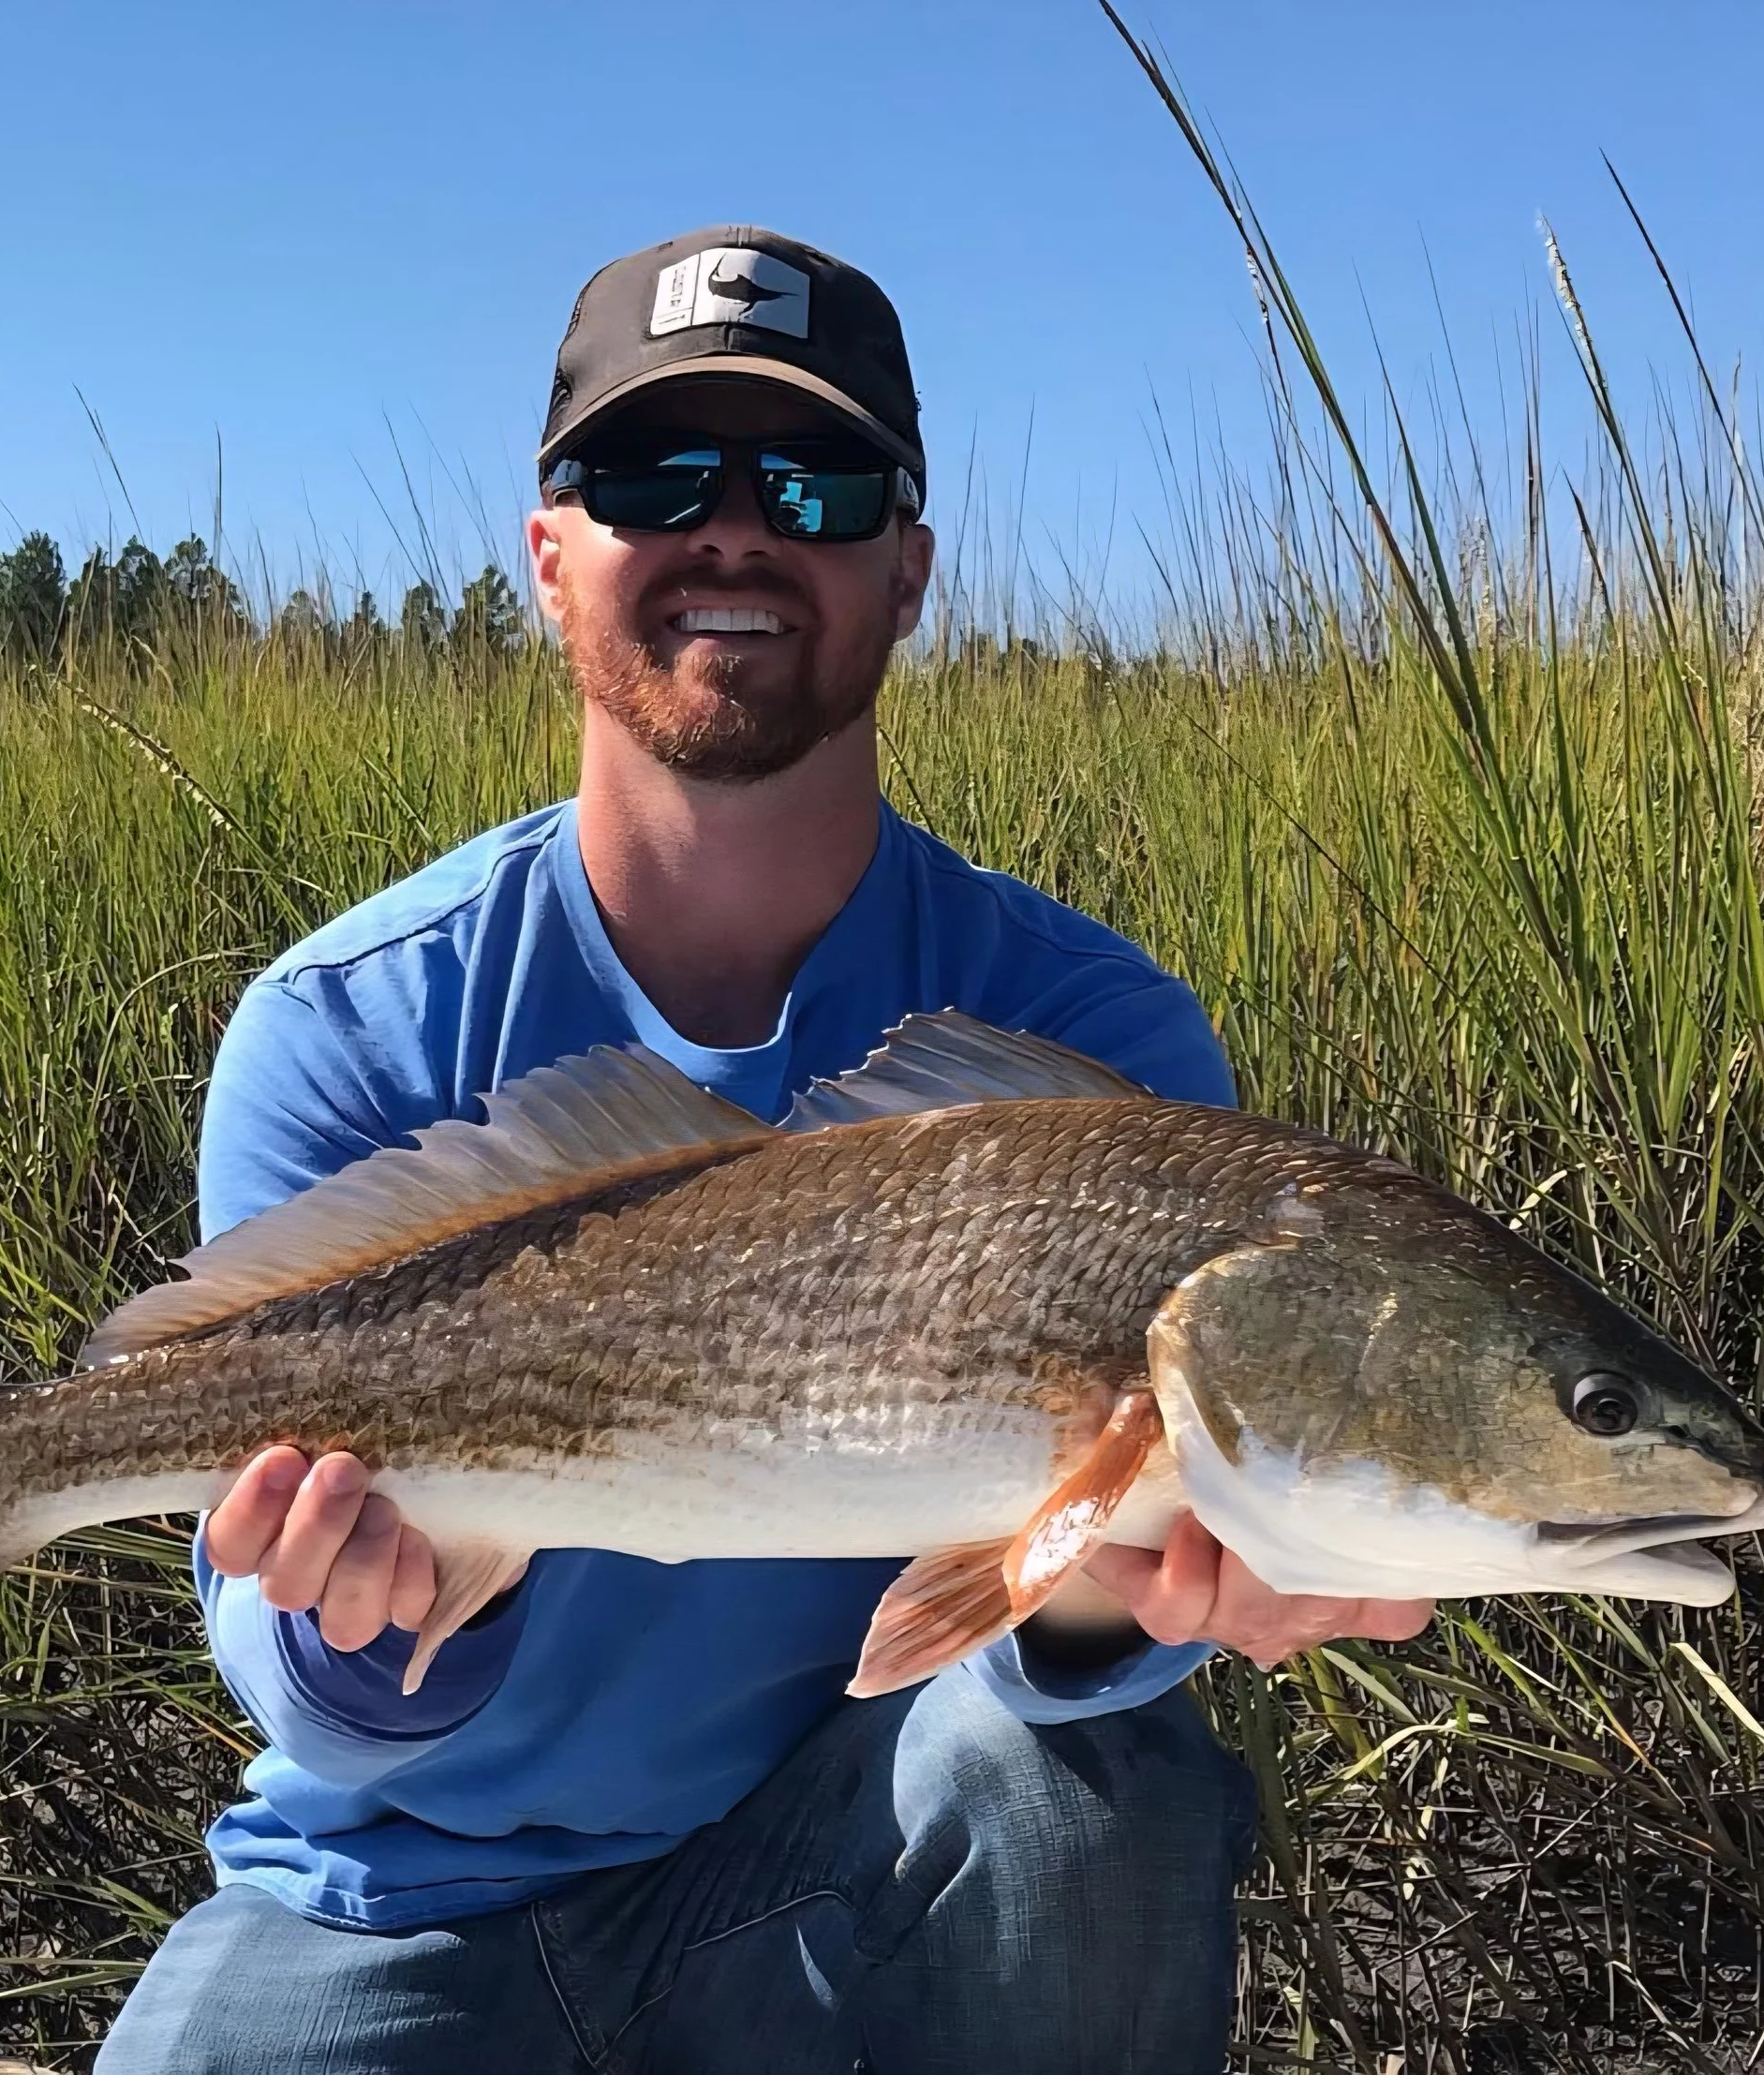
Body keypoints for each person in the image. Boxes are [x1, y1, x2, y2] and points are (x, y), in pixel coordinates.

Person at [96, 227, 1433, 2075]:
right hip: (407, 1890)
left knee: (1080, 1775)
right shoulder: (344, 1027)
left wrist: (1120, 1605)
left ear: (905, 569)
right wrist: (350, 1619)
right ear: (547, 551)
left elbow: (1069, 1635)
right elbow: (298, 1687)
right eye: (651, 476)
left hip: (844, 1874)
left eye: (813, 483)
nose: (733, 534)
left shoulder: (1095, 1046)